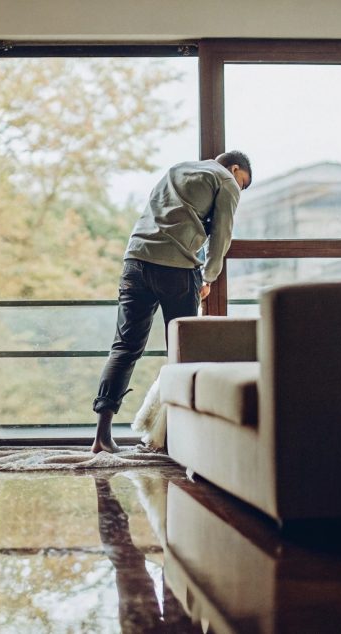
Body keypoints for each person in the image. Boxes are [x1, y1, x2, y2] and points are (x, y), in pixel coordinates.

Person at [92, 152, 252, 453]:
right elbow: (222, 234)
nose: (239, 190)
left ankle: (101, 436)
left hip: (135, 261)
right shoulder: (226, 180)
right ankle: (176, 439)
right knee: (182, 354)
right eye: (243, 184)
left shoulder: (177, 169)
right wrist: (209, 277)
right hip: (176, 271)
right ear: (234, 168)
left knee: (124, 348)